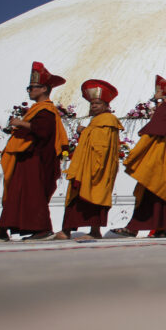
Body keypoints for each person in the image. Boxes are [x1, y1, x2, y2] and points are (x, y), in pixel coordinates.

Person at [0, 61, 68, 241]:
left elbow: (43, 131)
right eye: (29, 87)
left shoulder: (47, 110)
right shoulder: (36, 109)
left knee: (34, 195)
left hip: (36, 159)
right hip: (26, 158)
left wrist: (21, 124)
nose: (29, 91)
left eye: (32, 87)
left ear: (44, 89)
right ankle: (2, 229)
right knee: (15, 194)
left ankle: (42, 228)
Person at [112, 75, 166, 238]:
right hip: (163, 164)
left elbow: (148, 138)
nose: (155, 106)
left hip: (157, 164)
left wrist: (133, 156)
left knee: (150, 195)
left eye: (157, 101)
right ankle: (160, 229)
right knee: (155, 195)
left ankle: (139, 228)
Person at [53, 79, 122, 240]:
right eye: (92, 104)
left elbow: (102, 146)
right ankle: (66, 230)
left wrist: (84, 132)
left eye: (98, 103)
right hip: (85, 166)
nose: (94, 106)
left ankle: (94, 231)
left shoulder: (108, 120)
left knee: (95, 195)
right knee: (75, 196)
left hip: (98, 167)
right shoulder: (96, 121)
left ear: (106, 105)